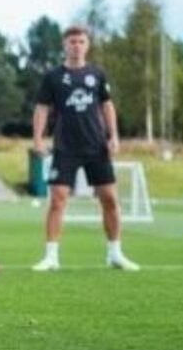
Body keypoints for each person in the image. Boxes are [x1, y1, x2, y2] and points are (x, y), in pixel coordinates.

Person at [31, 25, 139, 271]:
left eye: (81, 41)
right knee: (57, 200)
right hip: (65, 148)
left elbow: (107, 105)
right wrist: (38, 138)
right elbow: (41, 108)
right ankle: (51, 257)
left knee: (110, 199)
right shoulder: (53, 77)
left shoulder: (97, 74)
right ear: (65, 46)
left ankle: (115, 253)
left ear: (87, 45)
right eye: (72, 42)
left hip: (96, 147)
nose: (76, 46)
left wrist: (114, 136)